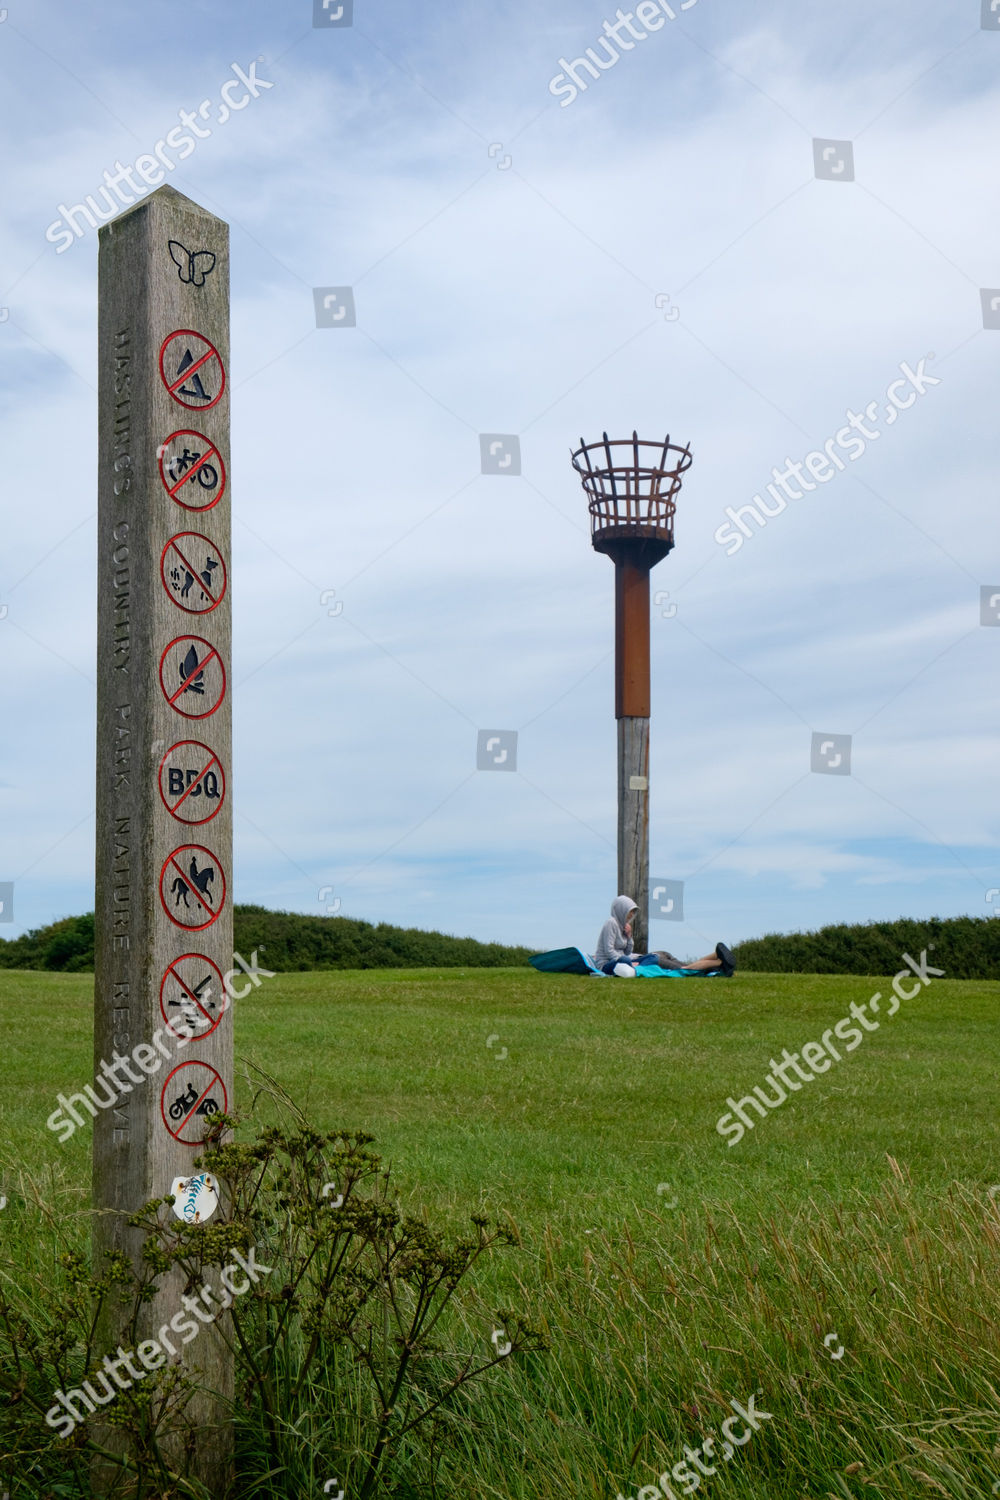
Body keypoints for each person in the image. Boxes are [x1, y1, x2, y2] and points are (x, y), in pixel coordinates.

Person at [592, 895, 735, 977]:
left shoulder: (623, 926)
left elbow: (628, 952)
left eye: (632, 912)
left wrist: (629, 936)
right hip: (608, 964)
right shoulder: (611, 923)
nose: (631, 916)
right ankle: (718, 962)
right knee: (682, 968)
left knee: (654, 958)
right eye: (629, 911)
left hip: (627, 959)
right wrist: (630, 961)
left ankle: (717, 958)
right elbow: (610, 952)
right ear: (621, 910)